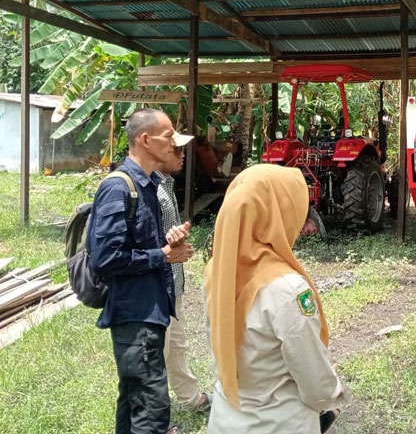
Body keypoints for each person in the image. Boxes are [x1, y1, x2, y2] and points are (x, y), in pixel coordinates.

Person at [204, 164, 350, 433]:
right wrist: (335, 396)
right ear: (277, 215)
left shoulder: (219, 269)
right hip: (279, 423)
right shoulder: (287, 289)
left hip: (226, 417)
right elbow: (314, 380)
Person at [88, 108, 194, 434]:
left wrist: (168, 241)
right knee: (151, 410)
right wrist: (162, 254)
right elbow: (104, 258)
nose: (176, 144)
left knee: (135, 402)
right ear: (145, 140)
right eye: (168, 136)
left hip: (150, 310)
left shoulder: (147, 185)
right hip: (135, 315)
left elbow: (137, 242)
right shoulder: (119, 187)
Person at [155, 131, 213, 413]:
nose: (182, 155)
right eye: (176, 150)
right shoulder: (146, 189)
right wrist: (167, 249)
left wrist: (174, 240)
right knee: (157, 353)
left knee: (177, 345)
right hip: (156, 285)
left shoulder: (166, 183)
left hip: (172, 282)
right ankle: (154, 418)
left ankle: (191, 398)